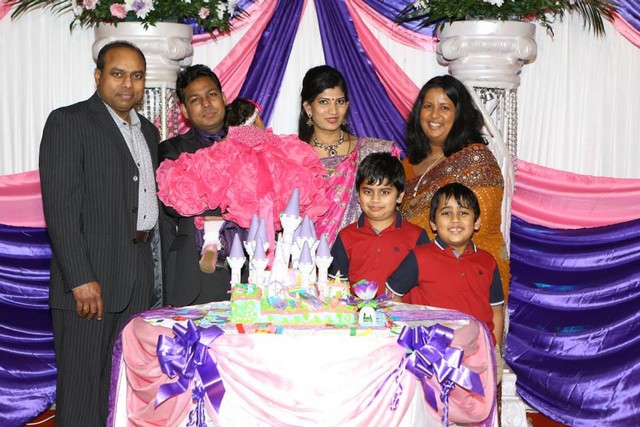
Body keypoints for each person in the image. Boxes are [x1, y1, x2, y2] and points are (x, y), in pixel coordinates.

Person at [39, 41, 160, 426]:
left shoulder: (149, 132)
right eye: (117, 74)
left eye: (136, 76)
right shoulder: (69, 122)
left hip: (137, 277)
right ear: (98, 76)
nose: (128, 84)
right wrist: (80, 278)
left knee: (122, 391)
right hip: (89, 283)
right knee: (83, 392)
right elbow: (60, 209)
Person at [400, 75, 510, 298]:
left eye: (445, 108)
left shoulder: (476, 159)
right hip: (415, 278)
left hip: (469, 278)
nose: (434, 115)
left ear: (459, 114)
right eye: (428, 106)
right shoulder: (407, 166)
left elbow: (477, 226)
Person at [386, 183, 505, 378]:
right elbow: (393, 295)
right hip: (432, 357)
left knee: (477, 398)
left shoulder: (487, 261)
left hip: (479, 354)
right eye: (446, 213)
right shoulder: (419, 257)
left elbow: (496, 310)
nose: (455, 219)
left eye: (463, 213)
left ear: (477, 222)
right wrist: (409, 338)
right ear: (433, 223)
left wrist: (494, 349)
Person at [298, 65, 401, 245]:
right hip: (305, 255)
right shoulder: (294, 158)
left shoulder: (373, 151)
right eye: (324, 102)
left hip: (365, 253)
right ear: (308, 107)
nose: (333, 111)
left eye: (339, 101)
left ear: (347, 105)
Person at [158, 64, 235, 305]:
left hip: (247, 272)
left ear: (224, 98)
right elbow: (173, 205)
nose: (206, 103)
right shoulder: (172, 150)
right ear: (184, 109)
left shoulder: (249, 144)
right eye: (195, 99)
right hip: (192, 273)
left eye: (212, 94)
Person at [329, 153, 428, 296]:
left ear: (399, 196)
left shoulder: (416, 236)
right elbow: (336, 287)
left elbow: (427, 285)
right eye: (368, 191)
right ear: (358, 195)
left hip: (402, 310)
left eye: (384, 192)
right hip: (355, 309)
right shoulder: (346, 236)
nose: (375, 199)